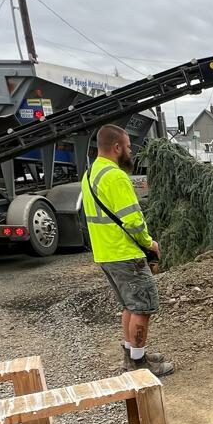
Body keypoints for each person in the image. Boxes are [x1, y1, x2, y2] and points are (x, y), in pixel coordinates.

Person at [81, 124, 174, 376]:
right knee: (143, 307)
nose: (131, 152)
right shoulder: (116, 176)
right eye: (128, 147)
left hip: (106, 254)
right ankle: (138, 363)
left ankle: (132, 354)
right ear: (117, 147)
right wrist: (150, 243)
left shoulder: (90, 175)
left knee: (130, 306)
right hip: (125, 254)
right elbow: (133, 220)